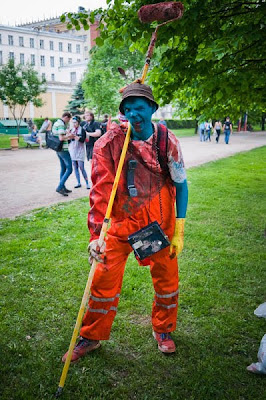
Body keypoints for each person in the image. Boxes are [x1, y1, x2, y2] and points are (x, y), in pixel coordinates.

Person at [62, 82, 188, 363]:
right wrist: (97, 234)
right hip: (117, 225)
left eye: (140, 108)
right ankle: (91, 336)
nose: (134, 115)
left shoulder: (167, 141)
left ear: (153, 109)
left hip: (157, 223)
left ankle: (164, 330)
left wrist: (179, 230)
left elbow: (181, 186)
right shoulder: (109, 143)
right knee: (102, 278)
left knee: (167, 280)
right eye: (128, 109)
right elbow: (100, 191)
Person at [52, 112, 74, 196]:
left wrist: (67, 134)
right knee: (69, 169)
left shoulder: (56, 123)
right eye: (68, 119)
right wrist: (70, 136)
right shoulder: (61, 124)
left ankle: (63, 187)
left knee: (63, 168)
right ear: (65, 117)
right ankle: (60, 187)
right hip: (63, 149)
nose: (68, 121)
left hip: (58, 149)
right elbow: (61, 138)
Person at [69, 115, 90, 189]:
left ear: (78, 122)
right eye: (73, 122)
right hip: (73, 150)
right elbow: (69, 140)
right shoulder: (71, 130)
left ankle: (87, 183)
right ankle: (78, 182)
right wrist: (70, 136)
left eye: (75, 122)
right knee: (75, 167)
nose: (74, 124)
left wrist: (77, 138)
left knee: (81, 167)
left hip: (80, 150)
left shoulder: (82, 130)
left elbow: (84, 140)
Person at [83, 111, 102, 186]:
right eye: (85, 115)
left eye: (87, 115)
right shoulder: (85, 124)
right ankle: (95, 179)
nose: (86, 116)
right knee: (91, 162)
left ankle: (97, 179)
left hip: (95, 145)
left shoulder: (95, 123)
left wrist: (87, 134)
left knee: (94, 162)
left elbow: (98, 133)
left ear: (91, 116)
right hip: (88, 145)